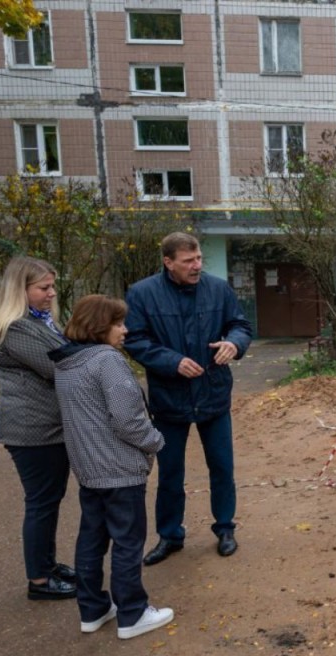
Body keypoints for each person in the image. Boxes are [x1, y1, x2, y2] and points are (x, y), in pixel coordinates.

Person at [48, 295, 173, 639]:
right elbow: (129, 419)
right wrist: (157, 442)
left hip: (89, 467)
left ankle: (93, 608)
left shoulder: (66, 361)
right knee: (128, 540)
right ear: (100, 326)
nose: (125, 330)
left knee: (92, 537)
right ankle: (132, 613)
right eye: (118, 324)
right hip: (118, 467)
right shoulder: (107, 360)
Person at [124, 232, 253, 564]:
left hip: (213, 394)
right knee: (170, 473)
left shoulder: (218, 289)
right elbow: (135, 340)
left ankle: (225, 528)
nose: (196, 266)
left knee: (222, 467)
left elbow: (240, 325)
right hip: (170, 398)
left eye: (198, 259)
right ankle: (170, 536)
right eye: (188, 261)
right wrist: (172, 362)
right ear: (168, 262)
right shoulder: (142, 293)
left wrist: (234, 344)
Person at [0, 256, 76, 600]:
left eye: (52, 286)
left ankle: (47, 565)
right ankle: (39, 581)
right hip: (33, 431)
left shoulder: (40, 323)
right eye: (43, 288)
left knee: (49, 501)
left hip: (47, 427)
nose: (51, 293)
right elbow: (59, 366)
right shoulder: (16, 329)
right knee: (41, 503)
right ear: (19, 290)